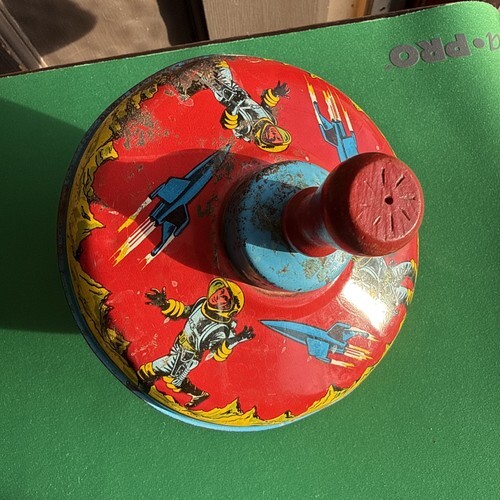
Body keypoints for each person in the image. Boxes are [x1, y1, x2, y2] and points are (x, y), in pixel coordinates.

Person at [137, 277, 254, 408]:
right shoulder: (202, 303)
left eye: (225, 298)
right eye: (221, 291)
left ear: (229, 309)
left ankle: (139, 390)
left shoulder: (220, 329)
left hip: (188, 357)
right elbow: (185, 311)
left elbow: (218, 352)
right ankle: (199, 395)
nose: (218, 296)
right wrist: (165, 304)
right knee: (173, 381)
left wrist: (236, 339)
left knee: (150, 370)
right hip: (178, 344)